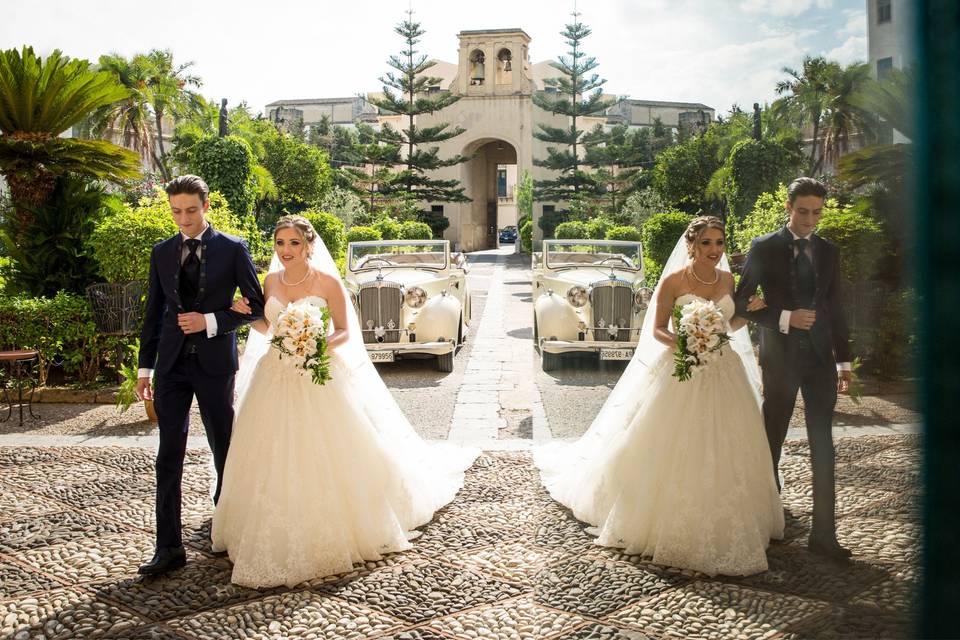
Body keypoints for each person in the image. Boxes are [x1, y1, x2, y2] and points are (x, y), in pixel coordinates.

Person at [211, 215, 479, 588]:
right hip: (275, 374)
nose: (285, 251)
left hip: (319, 370)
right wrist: (247, 317)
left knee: (326, 447)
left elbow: (343, 330)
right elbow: (268, 327)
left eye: (292, 243)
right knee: (269, 449)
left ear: (307, 245)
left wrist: (312, 345)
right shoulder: (270, 280)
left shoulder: (327, 281)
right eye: (279, 244)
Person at [534, 216, 784, 577]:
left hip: (723, 369)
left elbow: (730, 325)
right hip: (682, 365)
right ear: (692, 246)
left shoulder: (728, 280)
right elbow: (657, 330)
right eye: (707, 243)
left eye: (719, 243)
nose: (715, 251)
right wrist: (690, 342)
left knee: (731, 440)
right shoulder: (673, 281)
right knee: (672, 439)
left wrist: (747, 316)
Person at [136, 175, 265, 576]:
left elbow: (257, 307)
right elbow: (154, 313)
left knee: (223, 447)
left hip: (214, 365)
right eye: (176, 211)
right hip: (172, 366)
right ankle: (168, 546)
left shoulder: (232, 248)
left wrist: (209, 320)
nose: (184, 219)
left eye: (191, 210)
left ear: (205, 206)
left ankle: (228, 530)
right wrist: (145, 367)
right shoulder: (161, 252)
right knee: (167, 455)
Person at [734, 177, 853, 560]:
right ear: (789, 207)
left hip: (820, 360)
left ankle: (825, 536)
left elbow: (836, 308)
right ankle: (763, 524)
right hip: (780, 357)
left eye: (816, 212)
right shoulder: (764, 247)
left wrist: (844, 360)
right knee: (772, 439)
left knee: (824, 446)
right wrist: (785, 316)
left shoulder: (829, 251)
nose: (809, 219)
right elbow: (740, 302)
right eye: (802, 211)